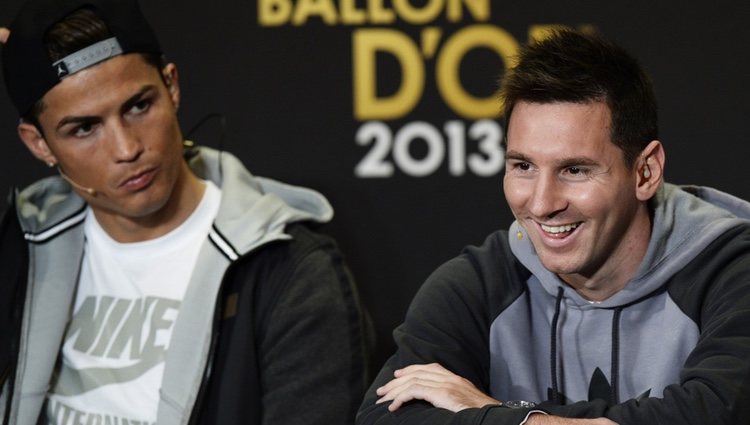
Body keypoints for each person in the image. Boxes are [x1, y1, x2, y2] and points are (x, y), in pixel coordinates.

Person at [0, 0, 370, 424]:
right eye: (84, 128)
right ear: (38, 144)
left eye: (139, 106)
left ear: (172, 87)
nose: (127, 149)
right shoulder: (18, 244)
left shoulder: (289, 270)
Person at [357, 28, 750, 425]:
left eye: (575, 169)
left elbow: (718, 415)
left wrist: (498, 414)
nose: (542, 204)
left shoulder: (732, 271)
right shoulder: (481, 284)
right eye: (523, 166)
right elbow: (384, 418)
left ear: (645, 172)